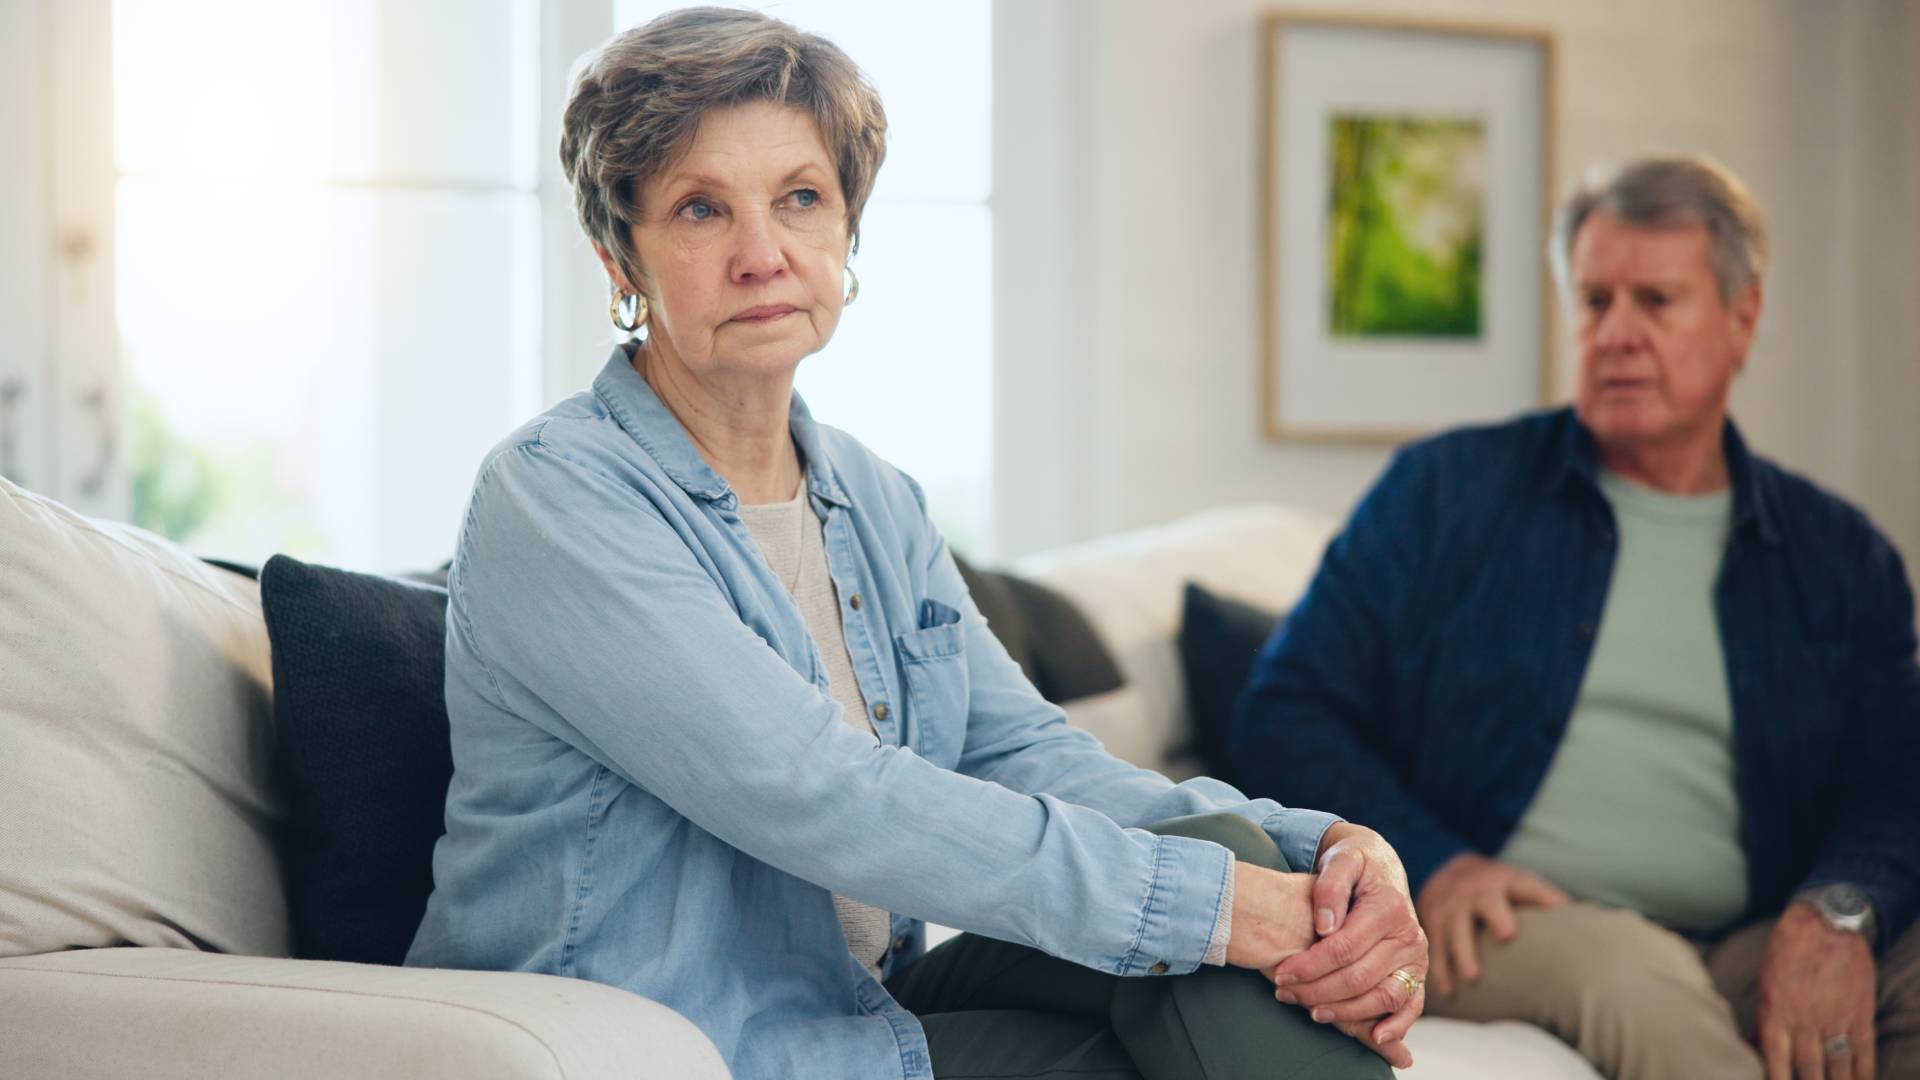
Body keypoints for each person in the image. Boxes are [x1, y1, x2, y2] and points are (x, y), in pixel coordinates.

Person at [404, 9, 1426, 1079]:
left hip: (864, 1010)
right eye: (701, 209)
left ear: (846, 233)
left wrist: (1326, 859)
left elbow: (1024, 753)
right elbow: (821, 793)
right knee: (1214, 935)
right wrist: (1230, 914)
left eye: (801, 198)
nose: (763, 255)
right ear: (621, 258)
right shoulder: (557, 497)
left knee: (1223, 860)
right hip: (685, 1039)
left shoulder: (870, 496)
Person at [1233, 154, 1920, 1080]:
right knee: (1632, 975)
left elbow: (1894, 781)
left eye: (1655, 301)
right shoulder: (1448, 492)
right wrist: (1436, 863)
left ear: (1742, 318)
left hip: (1750, 930)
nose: (1617, 334)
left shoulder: (1841, 558)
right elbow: (1285, 706)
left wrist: (1838, 910)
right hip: (1519, 930)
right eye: (1595, 302)